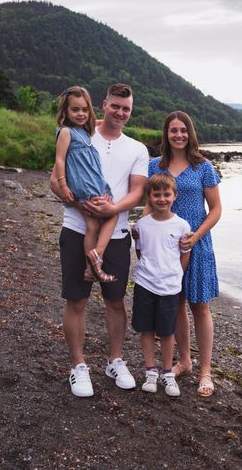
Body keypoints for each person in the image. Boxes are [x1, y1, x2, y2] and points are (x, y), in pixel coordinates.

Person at [51, 83, 148, 397]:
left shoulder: (137, 148)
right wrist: (77, 202)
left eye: (126, 108)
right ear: (103, 104)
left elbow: (137, 192)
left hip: (117, 233)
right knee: (76, 300)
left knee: (115, 300)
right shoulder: (78, 132)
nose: (120, 112)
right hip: (75, 228)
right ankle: (78, 366)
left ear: (130, 111)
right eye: (115, 106)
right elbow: (55, 177)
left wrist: (113, 208)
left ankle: (115, 360)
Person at [148, 111, 221, 397]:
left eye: (183, 130)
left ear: (190, 133)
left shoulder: (203, 166)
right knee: (176, 303)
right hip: (166, 247)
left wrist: (196, 235)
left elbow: (215, 209)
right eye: (173, 130)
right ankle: (184, 362)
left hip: (197, 243)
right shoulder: (156, 165)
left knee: (199, 306)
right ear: (166, 133)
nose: (178, 135)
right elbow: (151, 205)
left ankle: (205, 370)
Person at [132, 174, 191, 397]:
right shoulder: (141, 225)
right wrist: (149, 270)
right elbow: (140, 251)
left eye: (167, 194)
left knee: (167, 331)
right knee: (146, 329)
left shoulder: (182, 224)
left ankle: (167, 372)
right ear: (149, 196)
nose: (162, 198)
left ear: (174, 196)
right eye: (156, 194)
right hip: (145, 284)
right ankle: (150, 371)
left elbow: (185, 254)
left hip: (170, 286)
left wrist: (176, 274)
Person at [55, 86, 117, 283]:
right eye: (75, 110)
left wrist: (110, 121)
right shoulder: (66, 132)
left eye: (85, 109)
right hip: (84, 186)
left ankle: (92, 264)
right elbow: (60, 161)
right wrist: (63, 186)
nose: (81, 114)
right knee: (112, 214)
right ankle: (95, 259)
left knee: (92, 225)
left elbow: (97, 122)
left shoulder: (83, 131)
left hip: (91, 184)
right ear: (65, 111)